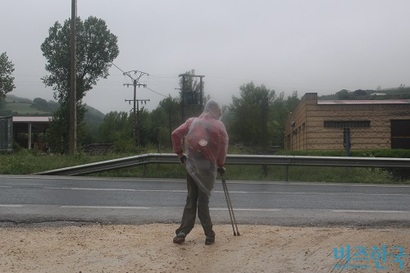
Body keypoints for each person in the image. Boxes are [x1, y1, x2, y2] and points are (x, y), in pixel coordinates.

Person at [171, 100, 229, 245]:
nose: (220, 113)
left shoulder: (192, 121)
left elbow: (175, 134)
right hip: (208, 167)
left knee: (191, 199)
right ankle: (209, 235)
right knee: (203, 201)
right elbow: (222, 147)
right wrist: (220, 165)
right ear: (215, 110)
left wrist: (180, 154)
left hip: (191, 165)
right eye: (219, 111)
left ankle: (182, 232)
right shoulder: (218, 126)